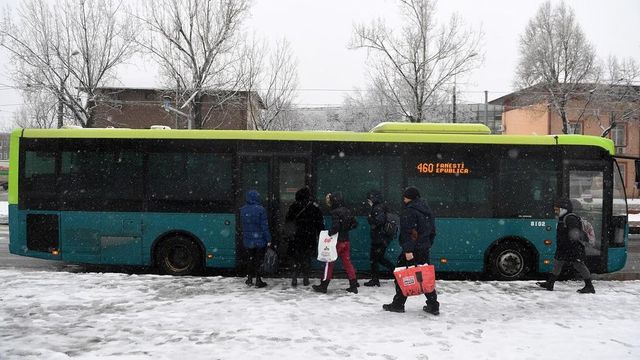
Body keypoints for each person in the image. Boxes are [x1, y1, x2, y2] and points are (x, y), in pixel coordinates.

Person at [383, 186, 439, 315]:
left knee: (401, 275)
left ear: (409, 197)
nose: (403, 198)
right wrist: (427, 244)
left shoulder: (409, 211)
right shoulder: (427, 210)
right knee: (423, 276)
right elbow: (432, 231)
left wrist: (408, 250)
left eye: (405, 196)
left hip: (412, 250)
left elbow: (408, 233)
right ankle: (433, 305)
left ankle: (398, 304)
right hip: (423, 248)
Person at [536, 198, 595, 294]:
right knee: (557, 264)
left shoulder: (570, 218)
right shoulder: (563, 218)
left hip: (573, 248)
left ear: (564, 209)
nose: (555, 211)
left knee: (579, 265)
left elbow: (575, 233)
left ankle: (589, 286)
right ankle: (550, 283)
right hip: (564, 247)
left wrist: (570, 244)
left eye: (557, 209)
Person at [312, 191, 359, 294]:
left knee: (329, 263)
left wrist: (329, 233)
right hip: (346, 241)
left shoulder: (335, 212)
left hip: (337, 242)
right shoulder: (347, 210)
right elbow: (355, 224)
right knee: (347, 263)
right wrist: (345, 229)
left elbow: (335, 228)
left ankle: (324, 286)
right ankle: (353, 285)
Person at [286, 187, 324, 287]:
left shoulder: (293, 206)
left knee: (295, 257)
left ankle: (294, 277)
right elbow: (319, 223)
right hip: (309, 236)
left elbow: (288, 221)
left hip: (295, 237)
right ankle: (306, 278)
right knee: (306, 257)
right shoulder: (314, 208)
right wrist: (321, 234)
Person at [240, 189, 271, 288]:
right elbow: (264, 226)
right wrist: (269, 239)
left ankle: (249, 279)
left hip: (248, 240)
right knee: (259, 260)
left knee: (250, 259)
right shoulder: (261, 209)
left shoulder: (243, 209)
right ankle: (258, 280)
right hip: (259, 240)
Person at [364, 190, 395, 287]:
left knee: (375, 259)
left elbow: (378, 222)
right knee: (377, 259)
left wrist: (369, 218)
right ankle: (376, 278)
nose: (368, 201)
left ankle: (395, 272)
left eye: (370, 199)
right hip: (381, 238)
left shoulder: (377, 208)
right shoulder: (379, 207)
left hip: (379, 238)